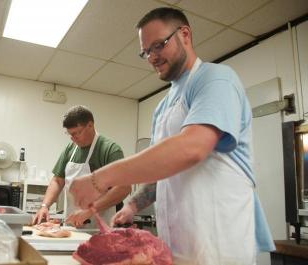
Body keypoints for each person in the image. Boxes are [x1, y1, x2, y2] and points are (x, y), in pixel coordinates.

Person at [69, 7, 275, 265]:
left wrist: (98, 180)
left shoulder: (216, 79)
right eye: (146, 52)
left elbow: (192, 148)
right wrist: (132, 205)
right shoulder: (163, 108)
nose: (152, 57)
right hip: (176, 247)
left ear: (185, 34)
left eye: (159, 45)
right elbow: (160, 171)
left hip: (220, 245)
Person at [32, 105, 131, 228]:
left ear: (90, 125)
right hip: (72, 224)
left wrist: (89, 211)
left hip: (101, 225)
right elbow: (58, 180)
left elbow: (123, 188)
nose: (73, 139)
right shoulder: (70, 149)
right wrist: (44, 206)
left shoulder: (110, 149)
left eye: (76, 133)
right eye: (69, 134)